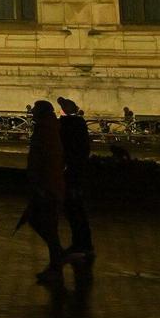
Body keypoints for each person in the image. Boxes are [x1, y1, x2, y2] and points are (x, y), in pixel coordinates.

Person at [23, 100, 67, 282]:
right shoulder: (50, 128)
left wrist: (40, 184)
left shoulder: (44, 130)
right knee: (44, 223)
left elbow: (43, 158)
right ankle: (57, 258)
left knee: (46, 224)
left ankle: (57, 263)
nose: (32, 111)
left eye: (35, 109)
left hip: (47, 185)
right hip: (50, 183)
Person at [56, 97, 94, 260]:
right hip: (77, 171)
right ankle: (83, 244)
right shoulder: (80, 124)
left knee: (73, 210)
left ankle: (81, 245)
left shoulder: (65, 125)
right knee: (77, 209)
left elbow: (62, 149)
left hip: (70, 173)